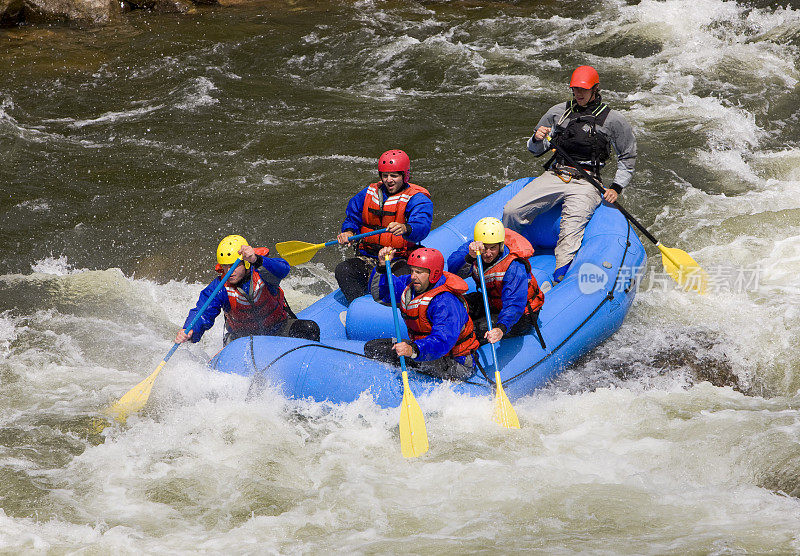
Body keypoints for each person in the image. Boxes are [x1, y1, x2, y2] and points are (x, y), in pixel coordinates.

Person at [503, 65, 637, 283]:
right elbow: (535, 150)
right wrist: (536, 138)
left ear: (596, 89)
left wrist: (616, 187)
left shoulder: (613, 120)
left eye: (583, 89)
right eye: (575, 89)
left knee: (570, 230)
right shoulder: (558, 112)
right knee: (511, 210)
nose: (579, 94)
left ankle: (559, 280)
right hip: (556, 174)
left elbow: (628, 157)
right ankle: (508, 260)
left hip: (587, 182)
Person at [175, 235, 320, 346]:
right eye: (225, 266)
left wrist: (256, 259)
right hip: (243, 340)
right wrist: (190, 329)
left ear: (244, 262)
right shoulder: (220, 287)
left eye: (233, 265)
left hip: (278, 328)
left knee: (309, 328)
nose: (228, 271)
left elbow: (283, 269)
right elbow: (202, 311)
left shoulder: (263, 273)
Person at [365, 246, 479, 381]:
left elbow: (443, 340)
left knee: (389, 354)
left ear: (434, 274)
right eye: (412, 271)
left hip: (454, 362)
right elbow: (382, 294)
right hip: (426, 350)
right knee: (373, 348)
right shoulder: (411, 286)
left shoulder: (445, 302)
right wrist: (382, 267)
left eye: (419, 272)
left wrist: (413, 350)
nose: (413, 276)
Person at [335, 149, 433, 304]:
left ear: (404, 176)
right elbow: (352, 217)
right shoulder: (368, 193)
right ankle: (360, 307)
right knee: (343, 269)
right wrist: (348, 231)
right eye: (385, 175)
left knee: (403, 279)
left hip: (399, 259)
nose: (389, 180)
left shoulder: (417, 198)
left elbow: (422, 225)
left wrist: (406, 228)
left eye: (394, 176)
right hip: (368, 257)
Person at [448, 217, 545, 347]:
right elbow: (453, 270)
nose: (487, 253)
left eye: (492, 248)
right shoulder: (474, 249)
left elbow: (514, 304)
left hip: (520, 316)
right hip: (492, 301)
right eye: (485, 248)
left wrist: (501, 329)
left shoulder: (514, 267)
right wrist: (469, 256)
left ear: (501, 245)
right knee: (454, 306)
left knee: (473, 330)